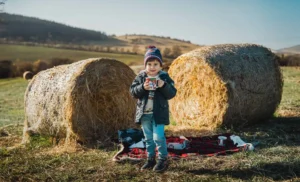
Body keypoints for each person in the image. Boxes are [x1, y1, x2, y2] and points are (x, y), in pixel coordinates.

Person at [130, 46, 177, 172]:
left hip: (159, 114)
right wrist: (142, 87)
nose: (152, 67)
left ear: (160, 65)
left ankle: (163, 159)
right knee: (148, 138)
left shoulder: (164, 77)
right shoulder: (140, 77)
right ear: (145, 65)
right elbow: (133, 92)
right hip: (144, 114)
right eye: (149, 64)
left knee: (158, 137)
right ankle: (150, 159)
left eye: (155, 64)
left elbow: (172, 93)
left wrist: (163, 85)